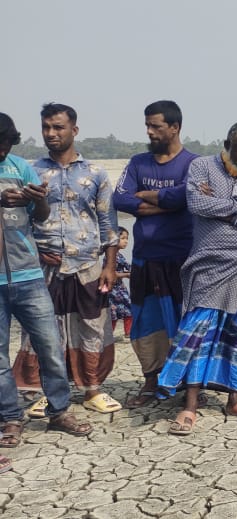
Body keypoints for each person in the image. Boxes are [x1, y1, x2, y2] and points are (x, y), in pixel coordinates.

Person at [157, 121, 237, 435]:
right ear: (227, 144)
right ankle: (190, 404)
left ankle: (234, 397)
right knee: (197, 331)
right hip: (206, 264)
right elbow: (196, 204)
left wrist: (220, 207)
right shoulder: (202, 167)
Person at [14, 103, 122, 416]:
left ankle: (93, 390)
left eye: (58, 127)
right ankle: (51, 393)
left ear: (74, 130)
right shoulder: (30, 172)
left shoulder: (96, 173)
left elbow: (108, 223)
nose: (51, 133)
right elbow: (20, 221)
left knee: (91, 327)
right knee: (45, 332)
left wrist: (111, 267)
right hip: (42, 267)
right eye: (46, 127)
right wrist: (34, 251)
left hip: (87, 265)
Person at [0, 112, 92, 463]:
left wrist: (34, 199)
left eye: (8, 143)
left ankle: (60, 411)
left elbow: (40, 216)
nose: (3, 149)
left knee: (50, 346)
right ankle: (10, 419)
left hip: (27, 274)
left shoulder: (20, 167)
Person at [111, 100, 198, 409]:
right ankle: (151, 381)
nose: (149, 131)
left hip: (183, 259)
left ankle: (187, 382)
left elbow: (187, 196)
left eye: (156, 126)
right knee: (147, 324)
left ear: (174, 127)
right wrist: (167, 203)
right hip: (145, 259)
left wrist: (150, 197)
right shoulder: (138, 163)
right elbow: (119, 198)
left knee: (185, 322)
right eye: (147, 125)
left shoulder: (194, 164)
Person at [109, 227, 132, 335]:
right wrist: (127, 274)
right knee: (113, 313)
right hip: (112, 289)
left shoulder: (120, 255)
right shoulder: (110, 257)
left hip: (120, 288)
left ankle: (128, 332)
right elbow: (111, 273)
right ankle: (109, 334)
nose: (126, 241)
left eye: (127, 238)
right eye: (122, 238)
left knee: (128, 309)